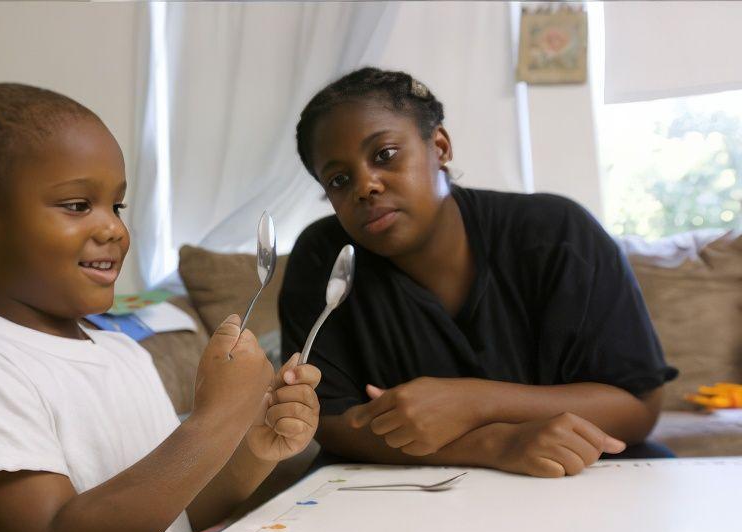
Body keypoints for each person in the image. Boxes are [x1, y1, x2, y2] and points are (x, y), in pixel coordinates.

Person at [0, 83, 321, 532]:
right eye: (78, 204)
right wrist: (218, 417)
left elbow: (172, 512)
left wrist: (254, 448)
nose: (113, 228)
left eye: (117, 205)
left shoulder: (122, 353)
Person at [280, 67, 677, 478]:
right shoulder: (324, 258)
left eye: (385, 155)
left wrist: (475, 401)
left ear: (440, 146)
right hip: (407, 496)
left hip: (576, 478)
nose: (366, 186)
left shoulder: (558, 233)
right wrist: (493, 444)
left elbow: (637, 408)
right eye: (339, 180)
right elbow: (329, 423)